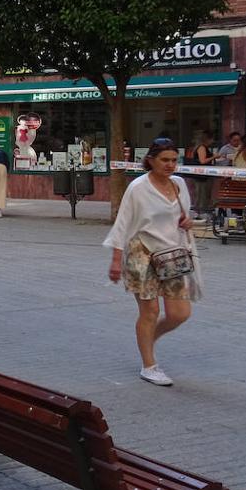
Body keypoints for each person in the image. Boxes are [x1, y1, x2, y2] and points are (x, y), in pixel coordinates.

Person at [104, 138, 200, 387]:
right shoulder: (138, 187)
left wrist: (187, 222)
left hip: (171, 254)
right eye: (164, 160)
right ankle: (149, 365)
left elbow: (183, 216)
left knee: (180, 313)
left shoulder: (179, 184)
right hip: (141, 253)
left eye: (173, 160)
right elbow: (122, 223)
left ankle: (148, 338)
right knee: (151, 311)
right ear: (151, 160)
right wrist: (115, 260)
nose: (170, 165)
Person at [184, 130, 215, 219]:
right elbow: (203, 161)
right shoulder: (201, 147)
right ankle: (200, 213)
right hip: (202, 176)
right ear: (208, 139)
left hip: (203, 176)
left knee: (202, 194)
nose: (213, 142)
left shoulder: (200, 147)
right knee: (202, 194)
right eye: (212, 139)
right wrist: (214, 156)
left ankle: (200, 212)